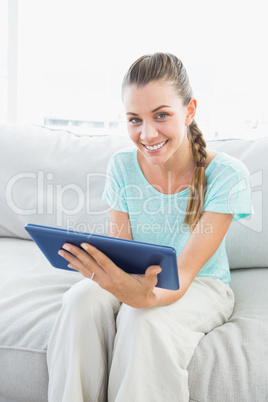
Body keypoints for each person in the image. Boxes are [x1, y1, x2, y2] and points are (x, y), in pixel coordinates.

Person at [47, 52, 252, 401]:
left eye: (161, 115)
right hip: (137, 275)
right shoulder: (122, 166)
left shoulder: (227, 175)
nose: (147, 133)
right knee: (81, 298)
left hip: (200, 284)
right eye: (134, 119)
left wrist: (144, 297)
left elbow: (184, 274)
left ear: (189, 111)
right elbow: (120, 250)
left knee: (143, 321)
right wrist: (107, 273)